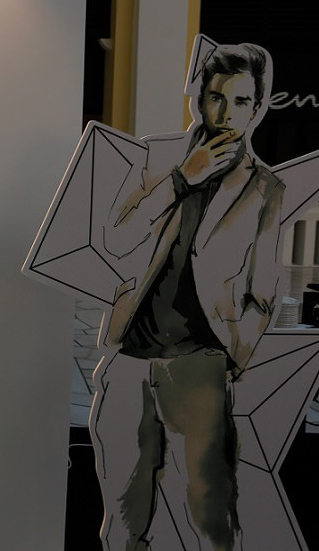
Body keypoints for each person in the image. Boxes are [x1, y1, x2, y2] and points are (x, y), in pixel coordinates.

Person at [90, 43, 283, 551]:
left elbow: (263, 287)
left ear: (257, 107)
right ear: (200, 100)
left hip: (201, 364)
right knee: (123, 515)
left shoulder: (264, 188)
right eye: (216, 98)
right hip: (130, 357)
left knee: (209, 518)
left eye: (241, 101)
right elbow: (115, 239)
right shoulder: (156, 157)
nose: (226, 113)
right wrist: (180, 179)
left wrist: (234, 356)